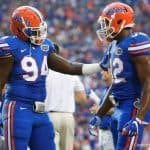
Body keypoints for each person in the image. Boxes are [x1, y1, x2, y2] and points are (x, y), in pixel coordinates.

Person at [0, 6, 102, 150]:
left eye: (40, 30)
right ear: (19, 30)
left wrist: (99, 66)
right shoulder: (9, 46)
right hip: (18, 109)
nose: (39, 35)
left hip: (41, 111)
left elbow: (70, 67)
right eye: (34, 32)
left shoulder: (45, 46)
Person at [91, 2, 150, 150]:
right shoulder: (114, 46)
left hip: (132, 107)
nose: (103, 28)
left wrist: (138, 118)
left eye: (106, 23)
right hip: (118, 108)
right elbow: (116, 85)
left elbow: (149, 82)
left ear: (119, 22)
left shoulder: (136, 42)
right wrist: (100, 114)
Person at [45, 46, 87, 150]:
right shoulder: (70, 72)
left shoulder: (43, 72)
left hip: (49, 116)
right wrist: (67, 96)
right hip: (68, 116)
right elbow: (83, 99)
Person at [89, 69, 114, 150]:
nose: (101, 72)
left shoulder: (116, 90)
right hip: (102, 131)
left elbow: (118, 110)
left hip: (111, 131)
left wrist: (99, 110)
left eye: (104, 70)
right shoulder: (105, 90)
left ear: (110, 72)